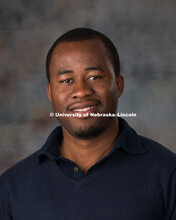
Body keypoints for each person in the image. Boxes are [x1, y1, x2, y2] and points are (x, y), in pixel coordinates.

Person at [0, 28, 176, 220]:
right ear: (50, 93)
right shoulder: (11, 188)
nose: (81, 91)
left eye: (94, 77)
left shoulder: (168, 173)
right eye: (66, 80)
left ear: (118, 85)